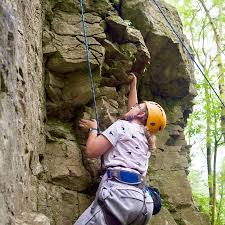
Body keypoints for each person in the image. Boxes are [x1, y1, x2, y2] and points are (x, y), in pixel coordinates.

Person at [74, 73, 166, 225]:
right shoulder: (146, 141)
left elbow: (91, 152)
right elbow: (133, 110)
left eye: (138, 107)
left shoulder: (122, 127)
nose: (134, 106)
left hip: (119, 195)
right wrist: (133, 86)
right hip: (143, 203)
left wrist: (93, 129)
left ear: (142, 114)